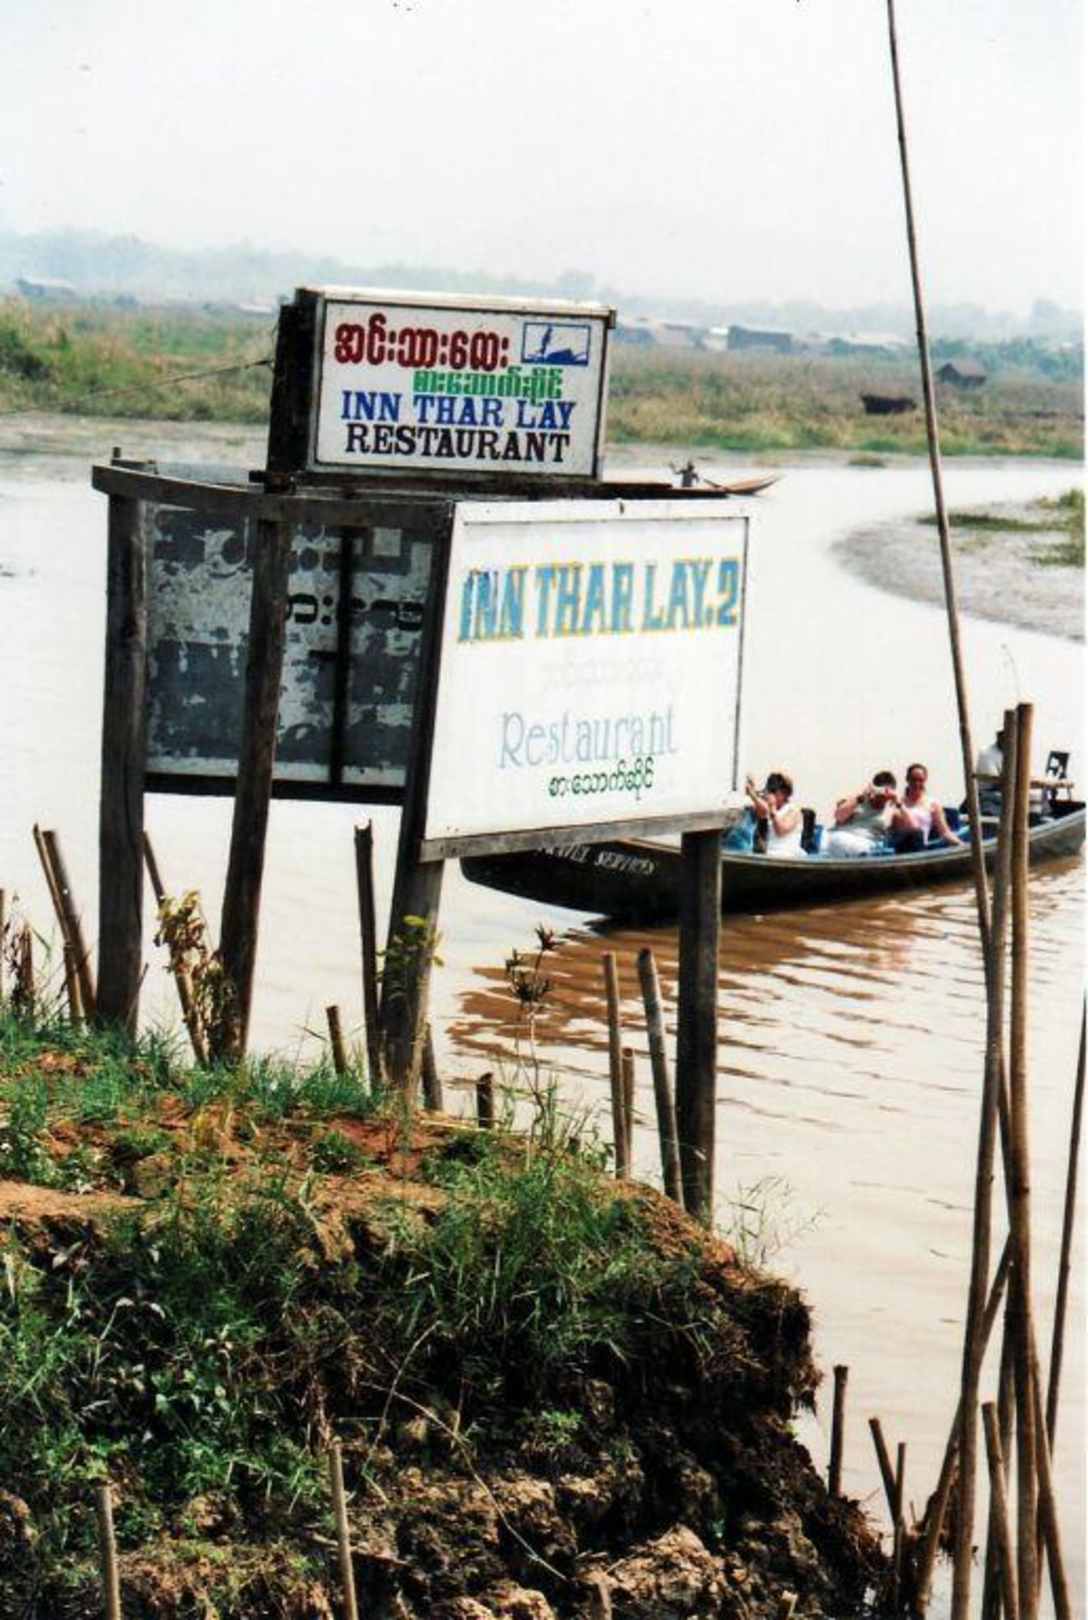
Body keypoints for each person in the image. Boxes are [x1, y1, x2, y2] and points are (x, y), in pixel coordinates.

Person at [888, 763, 964, 853]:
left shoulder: (932, 804)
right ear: (907, 779)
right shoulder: (897, 802)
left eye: (920, 780)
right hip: (899, 847)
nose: (917, 783)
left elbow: (945, 832)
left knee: (917, 834)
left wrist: (961, 845)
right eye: (913, 780)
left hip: (919, 847)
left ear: (925, 781)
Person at [825, 771, 899, 857]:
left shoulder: (892, 809)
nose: (882, 794)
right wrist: (861, 798)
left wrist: (898, 803)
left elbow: (907, 826)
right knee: (833, 839)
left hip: (867, 842)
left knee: (846, 844)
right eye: (880, 789)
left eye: (886, 791)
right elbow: (838, 816)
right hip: (842, 835)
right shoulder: (859, 800)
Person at [745, 770, 804, 859]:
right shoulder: (769, 808)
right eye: (769, 789)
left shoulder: (793, 810)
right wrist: (752, 794)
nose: (770, 793)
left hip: (788, 855)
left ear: (784, 793)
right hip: (769, 854)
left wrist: (772, 807)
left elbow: (781, 831)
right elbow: (761, 810)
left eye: (773, 790)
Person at [975, 728, 1005, 816]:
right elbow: (994, 781)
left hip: (1009, 797)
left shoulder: (1019, 753)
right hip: (989, 797)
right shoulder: (986, 753)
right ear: (998, 736)